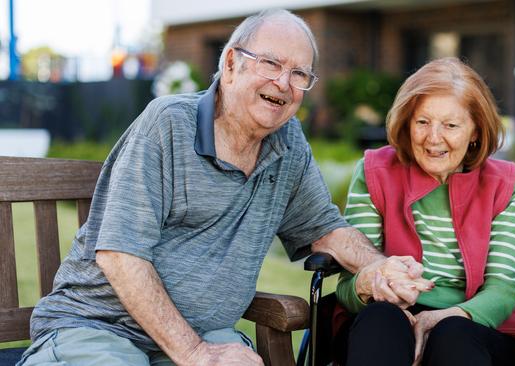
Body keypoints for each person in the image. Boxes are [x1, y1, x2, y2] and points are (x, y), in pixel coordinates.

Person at [17, 9, 431, 366]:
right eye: (270, 63)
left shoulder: (288, 144)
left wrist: (375, 266)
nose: (284, 83)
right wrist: (194, 352)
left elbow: (324, 229)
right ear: (231, 63)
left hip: (202, 334)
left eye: (299, 73)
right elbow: (120, 256)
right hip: (99, 327)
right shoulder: (168, 124)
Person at [335, 58, 515, 366]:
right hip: (387, 324)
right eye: (422, 122)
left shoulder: (504, 184)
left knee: (453, 334)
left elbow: (503, 291)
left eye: (450, 125)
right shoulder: (375, 172)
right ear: (407, 122)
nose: (433, 138)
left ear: (476, 131)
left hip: (475, 325)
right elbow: (347, 286)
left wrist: (440, 318)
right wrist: (369, 284)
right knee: (381, 319)